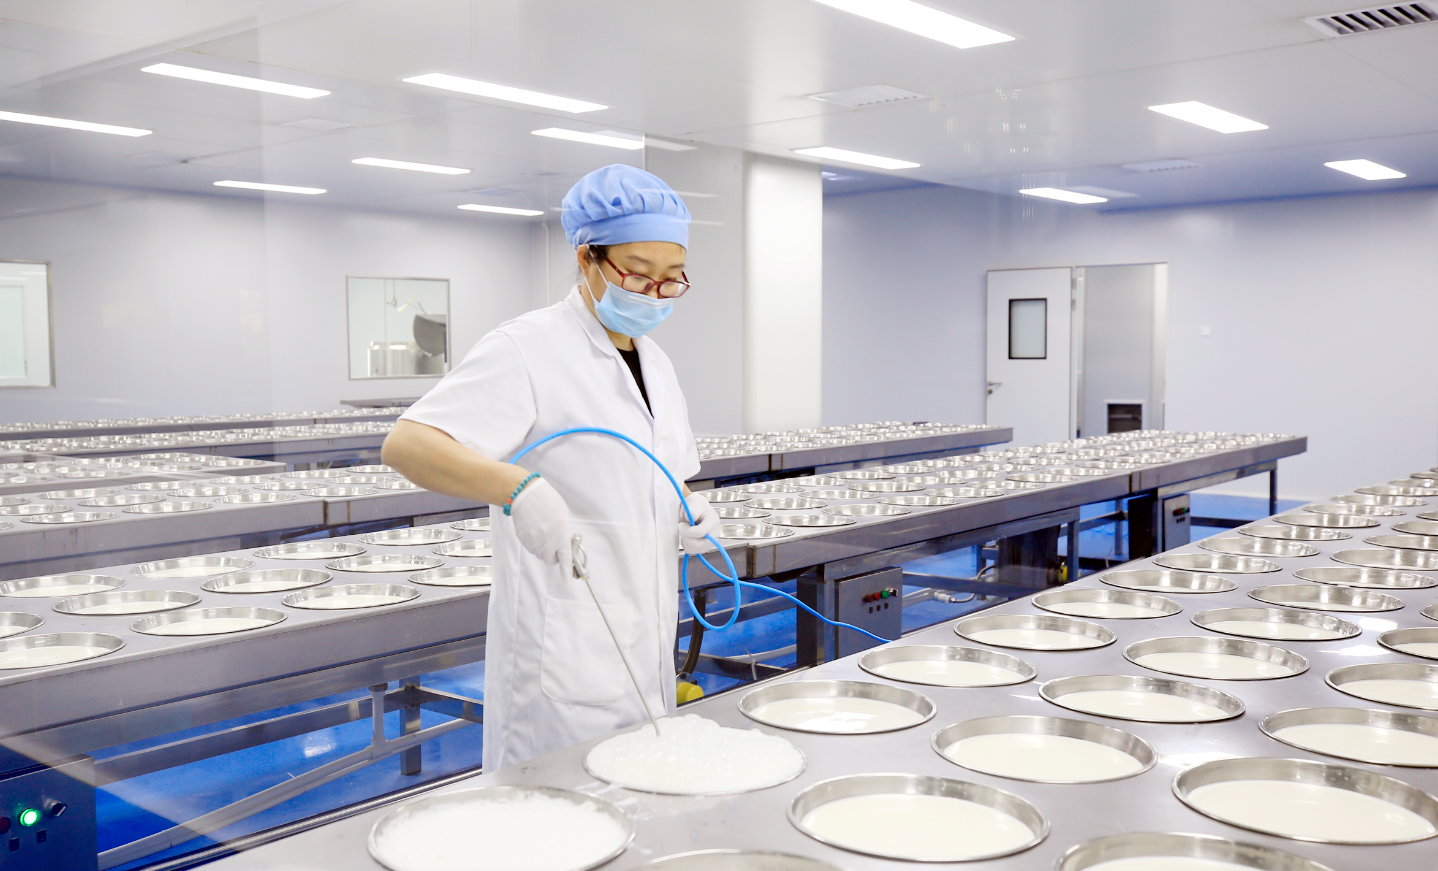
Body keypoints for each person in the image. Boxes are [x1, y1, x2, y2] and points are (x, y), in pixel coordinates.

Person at [382, 164, 720, 770]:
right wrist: (516, 486)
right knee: (552, 809)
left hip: (645, 643)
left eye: (672, 278)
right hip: (562, 660)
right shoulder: (527, 347)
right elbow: (409, 445)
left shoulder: (657, 365)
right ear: (588, 258)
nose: (654, 293)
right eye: (637, 273)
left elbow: (664, 471)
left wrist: (688, 508)